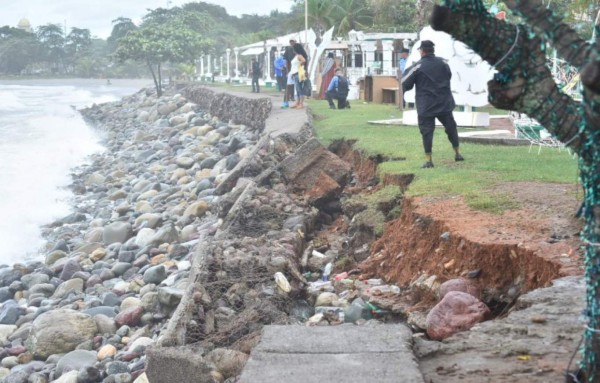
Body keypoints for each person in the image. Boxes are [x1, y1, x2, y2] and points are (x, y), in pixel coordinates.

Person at [402, 40, 464, 169]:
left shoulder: (417, 66)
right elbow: (449, 76)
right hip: (444, 103)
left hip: (426, 105)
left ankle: (428, 160)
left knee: (427, 132)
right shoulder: (443, 63)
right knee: (451, 128)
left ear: (422, 51)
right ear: (432, 50)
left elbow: (405, 84)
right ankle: (457, 154)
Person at [290, 43, 308, 109]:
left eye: (293, 49)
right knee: (297, 89)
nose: (293, 50)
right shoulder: (296, 56)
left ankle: (301, 103)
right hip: (294, 74)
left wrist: (300, 65)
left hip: (298, 73)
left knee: (300, 89)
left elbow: (304, 60)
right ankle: (297, 102)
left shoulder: (299, 56)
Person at [282, 39, 297, 107]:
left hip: (298, 70)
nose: (291, 43)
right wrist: (287, 72)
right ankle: (286, 101)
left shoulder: (299, 49)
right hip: (291, 70)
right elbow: (286, 61)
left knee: (298, 87)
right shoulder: (288, 50)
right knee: (288, 86)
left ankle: (298, 102)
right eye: (290, 42)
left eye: (293, 41)